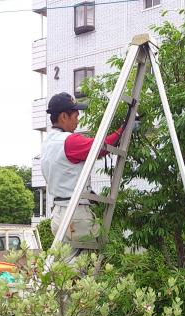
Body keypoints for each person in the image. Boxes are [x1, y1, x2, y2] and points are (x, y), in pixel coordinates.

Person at [41, 92, 124, 255]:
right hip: (76, 215)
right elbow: (101, 146)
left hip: (58, 213)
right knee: (83, 268)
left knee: (64, 266)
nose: (77, 120)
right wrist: (123, 129)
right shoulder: (69, 141)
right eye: (75, 115)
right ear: (64, 116)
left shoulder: (48, 143)